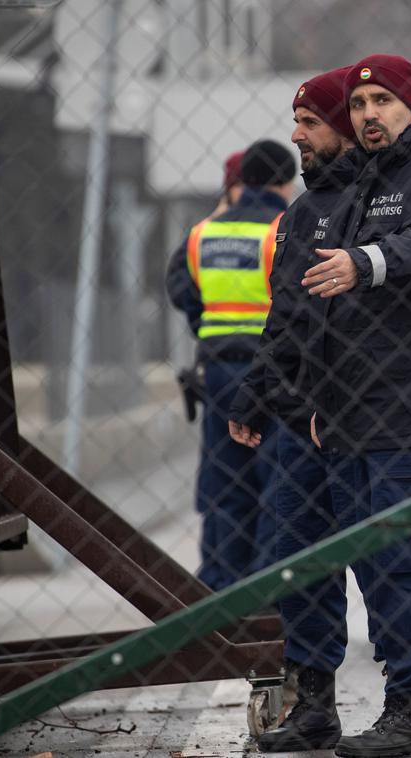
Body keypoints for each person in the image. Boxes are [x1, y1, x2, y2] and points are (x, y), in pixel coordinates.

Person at [285, 53, 411, 758]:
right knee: (378, 567)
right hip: (352, 412)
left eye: (383, 101)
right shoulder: (363, 181)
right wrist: (321, 395)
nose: (370, 114)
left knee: (410, 560)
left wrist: (365, 262)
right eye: (361, 103)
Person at [226, 65, 359, 754]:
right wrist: (256, 391)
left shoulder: (368, 203)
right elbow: (287, 318)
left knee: (390, 563)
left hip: (361, 417)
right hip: (296, 420)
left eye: (309, 122)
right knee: (298, 559)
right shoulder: (302, 214)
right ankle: (314, 705)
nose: (296, 134)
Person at [165, 139, 296, 591]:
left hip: (218, 374)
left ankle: (221, 588)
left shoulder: (203, 233)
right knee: (278, 484)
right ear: (286, 179)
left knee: (225, 485)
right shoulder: (283, 229)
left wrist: (211, 325)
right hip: (274, 373)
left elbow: (181, 289)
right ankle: (265, 593)